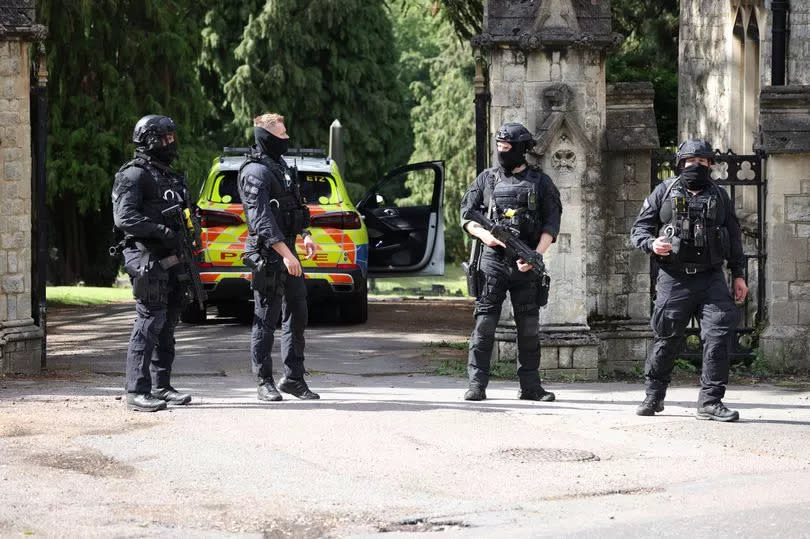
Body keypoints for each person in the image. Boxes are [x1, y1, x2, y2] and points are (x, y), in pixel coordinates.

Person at [630, 139, 749, 422]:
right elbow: (639, 230)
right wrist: (651, 243)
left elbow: (733, 237)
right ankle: (654, 395)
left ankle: (710, 401)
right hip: (674, 278)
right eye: (691, 160)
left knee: (719, 336)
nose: (697, 165)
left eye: (704, 161)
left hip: (711, 278)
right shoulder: (664, 191)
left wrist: (739, 274)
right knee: (666, 338)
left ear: (711, 165)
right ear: (680, 164)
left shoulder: (720, 196)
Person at [459, 122, 562, 402]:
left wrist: (535, 257)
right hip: (492, 262)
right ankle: (476, 385)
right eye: (499, 147)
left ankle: (530, 387)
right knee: (484, 326)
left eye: (507, 148)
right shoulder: (487, 179)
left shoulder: (541, 183)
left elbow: (551, 225)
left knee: (529, 329)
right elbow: (466, 215)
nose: (502, 152)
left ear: (521, 150)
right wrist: (484, 236)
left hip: (525, 262)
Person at [111, 115, 194, 412]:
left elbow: (185, 214)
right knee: (148, 322)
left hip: (174, 258)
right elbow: (125, 218)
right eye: (165, 138)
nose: (171, 143)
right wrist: (162, 231)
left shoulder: (171, 176)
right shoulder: (133, 175)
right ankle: (136, 390)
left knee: (168, 324)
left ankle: (161, 385)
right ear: (148, 140)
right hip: (147, 257)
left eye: (172, 137)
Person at [238, 113, 319, 402]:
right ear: (266, 137)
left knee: (297, 313)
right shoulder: (254, 172)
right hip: (267, 253)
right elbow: (261, 219)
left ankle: (293, 379)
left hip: (289, 250)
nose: (286, 140)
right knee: (265, 318)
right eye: (281, 135)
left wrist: (306, 234)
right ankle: (264, 381)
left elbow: (294, 204)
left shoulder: (280, 166)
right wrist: (285, 254)